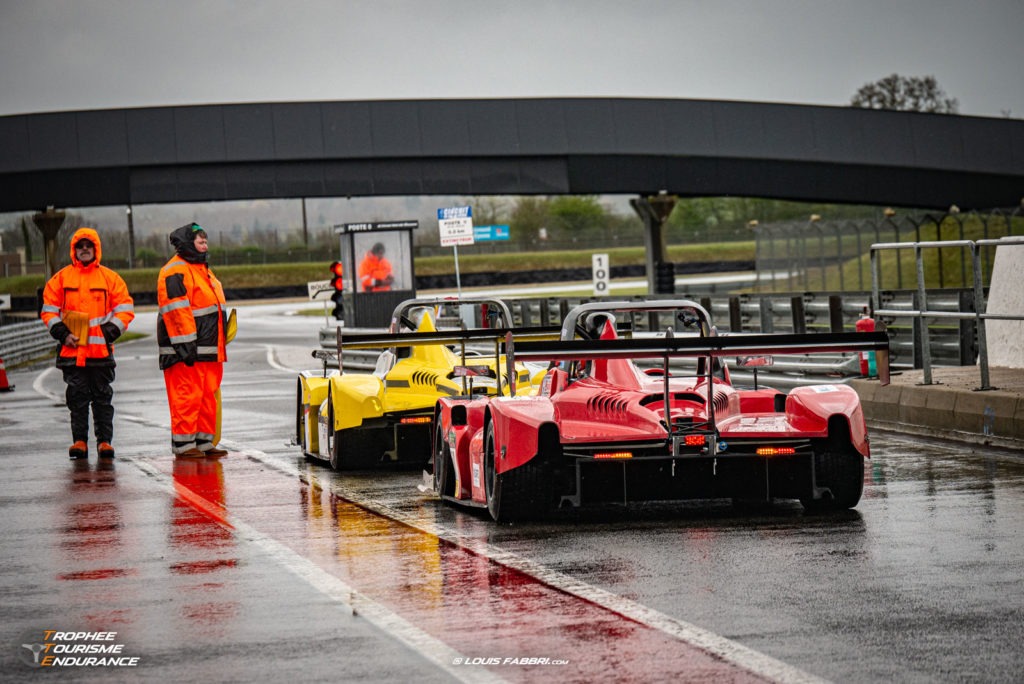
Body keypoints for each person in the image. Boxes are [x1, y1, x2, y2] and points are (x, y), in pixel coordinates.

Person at [40, 228, 135, 460]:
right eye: (80, 245)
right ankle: (79, 441)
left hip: (100, 352)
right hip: (72, 351)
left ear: (95, 249)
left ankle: (104, 442)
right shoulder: (60, 279)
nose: (84, 249)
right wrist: (63, 334)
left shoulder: (110, 279)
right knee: (77, 399)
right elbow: (49, 310)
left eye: (88, 245)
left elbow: (124, 309)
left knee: (103, 398)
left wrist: (108, 332)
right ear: (74, 250)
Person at [157, 222, 229, 458]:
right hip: (186, 351)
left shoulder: (202, 270)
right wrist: (185, 346)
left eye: (206, 241)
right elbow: (176, 310)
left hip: (207, 350)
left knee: (207, 395)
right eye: (200, 241)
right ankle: (184, 445)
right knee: (187, 396)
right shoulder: (175, 270)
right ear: (188, 243)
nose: (205, 244)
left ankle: (203, 441)